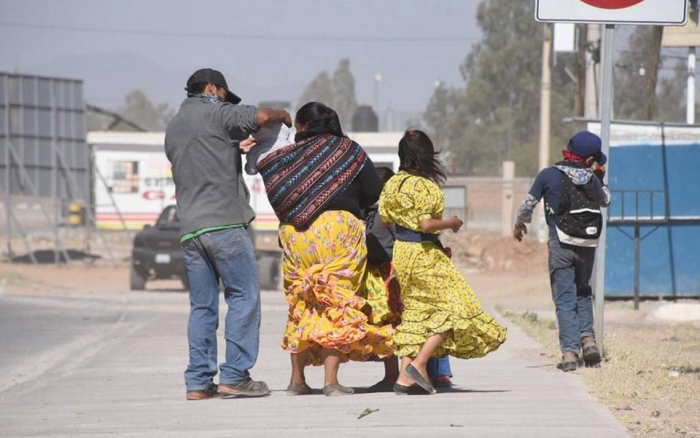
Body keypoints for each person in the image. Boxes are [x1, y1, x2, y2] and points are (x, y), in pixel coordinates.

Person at [165, 68, 292, 400]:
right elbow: (261, 116)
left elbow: (200, 159)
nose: (225, 101)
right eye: (223, 94)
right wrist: (282, 114)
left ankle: (198, 382)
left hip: (191, 231)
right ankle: (235, 376)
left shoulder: (175, 126)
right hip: (224, 226)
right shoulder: (217, 112)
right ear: (211, 88)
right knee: (243, 298)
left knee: (202, 307)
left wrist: (232, 149)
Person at [256, 102, 393, 396]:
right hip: (337, 232)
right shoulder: (349, 151)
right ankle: (331, 382)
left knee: (302, 302)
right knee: (336, 301)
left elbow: (275, 188)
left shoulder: (288, 156)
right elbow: (374, 191)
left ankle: (297, 381)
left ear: (303, 126)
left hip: (295, 235)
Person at [379, 130, 507, 395]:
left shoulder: (393, 184)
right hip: (424, 253)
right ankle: (420, 363)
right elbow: (426, 224)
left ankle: (404, 378)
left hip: (402, 253)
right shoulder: (425, 186)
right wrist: (451, 222)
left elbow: (384, 220)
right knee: (455, 306)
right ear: (426, 155)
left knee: (415, 312)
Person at [513, 131, 611, 372]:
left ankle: (569, 353)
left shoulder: (548, 174)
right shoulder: (591, 178)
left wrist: (519, 224)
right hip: (587, 245)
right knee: (583, 292)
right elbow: (606, 201)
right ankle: (588, 341)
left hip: (561, 244)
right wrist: (600, 179)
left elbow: (527, 204)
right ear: (590, 159)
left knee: (565, 298)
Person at [363, 167, 403, 392]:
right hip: (373, 274)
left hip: (389, 275)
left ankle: (396, 375)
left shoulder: (390, 212)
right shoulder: (369, 212)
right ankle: (391, 374)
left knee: (391, 321)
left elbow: (400, 242)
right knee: (381, 323)